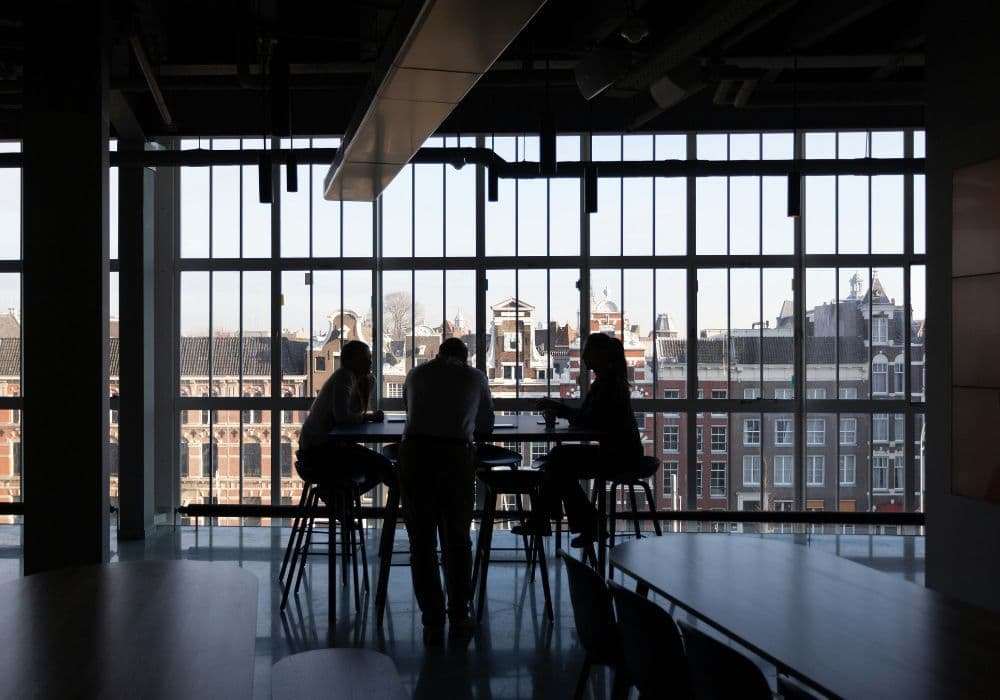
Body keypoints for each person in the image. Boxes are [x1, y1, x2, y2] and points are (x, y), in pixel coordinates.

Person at [398, 337, 494, 644]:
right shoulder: (475, 377)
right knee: (456, 540)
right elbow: (486, 426)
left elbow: (408, 410)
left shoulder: (415, 374)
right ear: (465, 358)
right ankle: (459, 613)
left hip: (414, 455)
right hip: (454, 457)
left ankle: (432, 617)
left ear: (438, 354)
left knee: (422, 543)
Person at [534, 333, 642, 548]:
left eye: (588, 351)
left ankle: (553, 520)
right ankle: (557, 520)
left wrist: (559, 409)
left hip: (618, 457)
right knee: (559, 461)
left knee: (558, 461)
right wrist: (561, 409)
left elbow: (591, 420)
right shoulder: (608, 382)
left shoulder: (607, 385)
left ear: (600, 355)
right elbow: (590, 419)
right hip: (621, 452)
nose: (584, 356)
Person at [297, 339, 392, 491]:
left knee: (381, 465)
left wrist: (366, 388)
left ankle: (343, 498)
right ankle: (341, 496)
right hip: (319, 452)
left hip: (315, 449)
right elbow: (343, 417)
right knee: (384, 466)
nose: (370, 362)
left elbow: (350, 414)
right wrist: (371, 417)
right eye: (366, 358)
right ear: (353, 360)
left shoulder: (350, 378)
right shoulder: (344, 377)